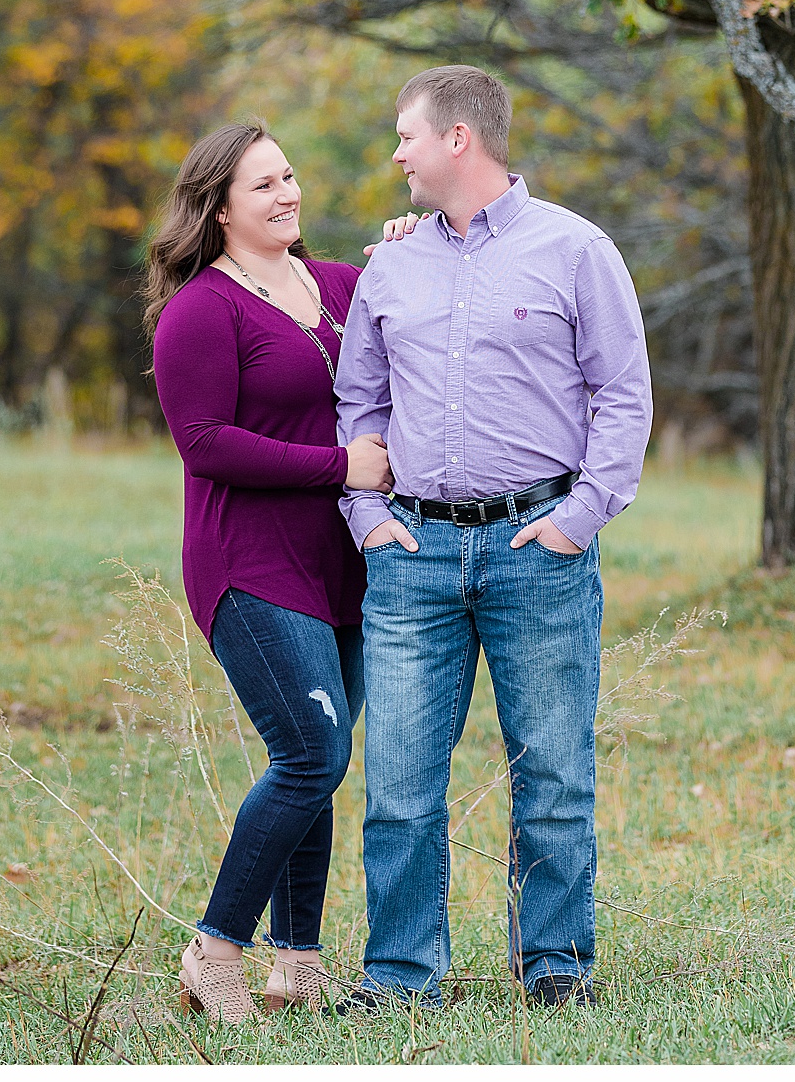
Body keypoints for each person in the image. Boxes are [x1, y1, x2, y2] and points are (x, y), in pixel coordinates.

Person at [334, 65, 652, 1011]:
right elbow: (362, 400)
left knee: (553, 774)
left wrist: (579, 519)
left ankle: (554, 968)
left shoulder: (576, 250)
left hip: (536, 550)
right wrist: (370, 519)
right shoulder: (391, 263)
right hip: (413, 556)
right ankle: (398, 978)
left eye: (407, 136)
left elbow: (623, 394)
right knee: (397, 784)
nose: (396, 153)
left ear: (458, 140)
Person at [146, 121, 404, 1023]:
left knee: (317, 763)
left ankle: (298, 963)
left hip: (345, 563)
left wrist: (412, 248)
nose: (287, 194)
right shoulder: (201, 312)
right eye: (263, 186)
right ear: (219, 209)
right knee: (312, 751)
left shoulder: (341, 283)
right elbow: (205, 444)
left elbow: (413, 325)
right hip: (249, 564)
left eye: (289, 176)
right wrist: (344, 468)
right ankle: (215, 952)